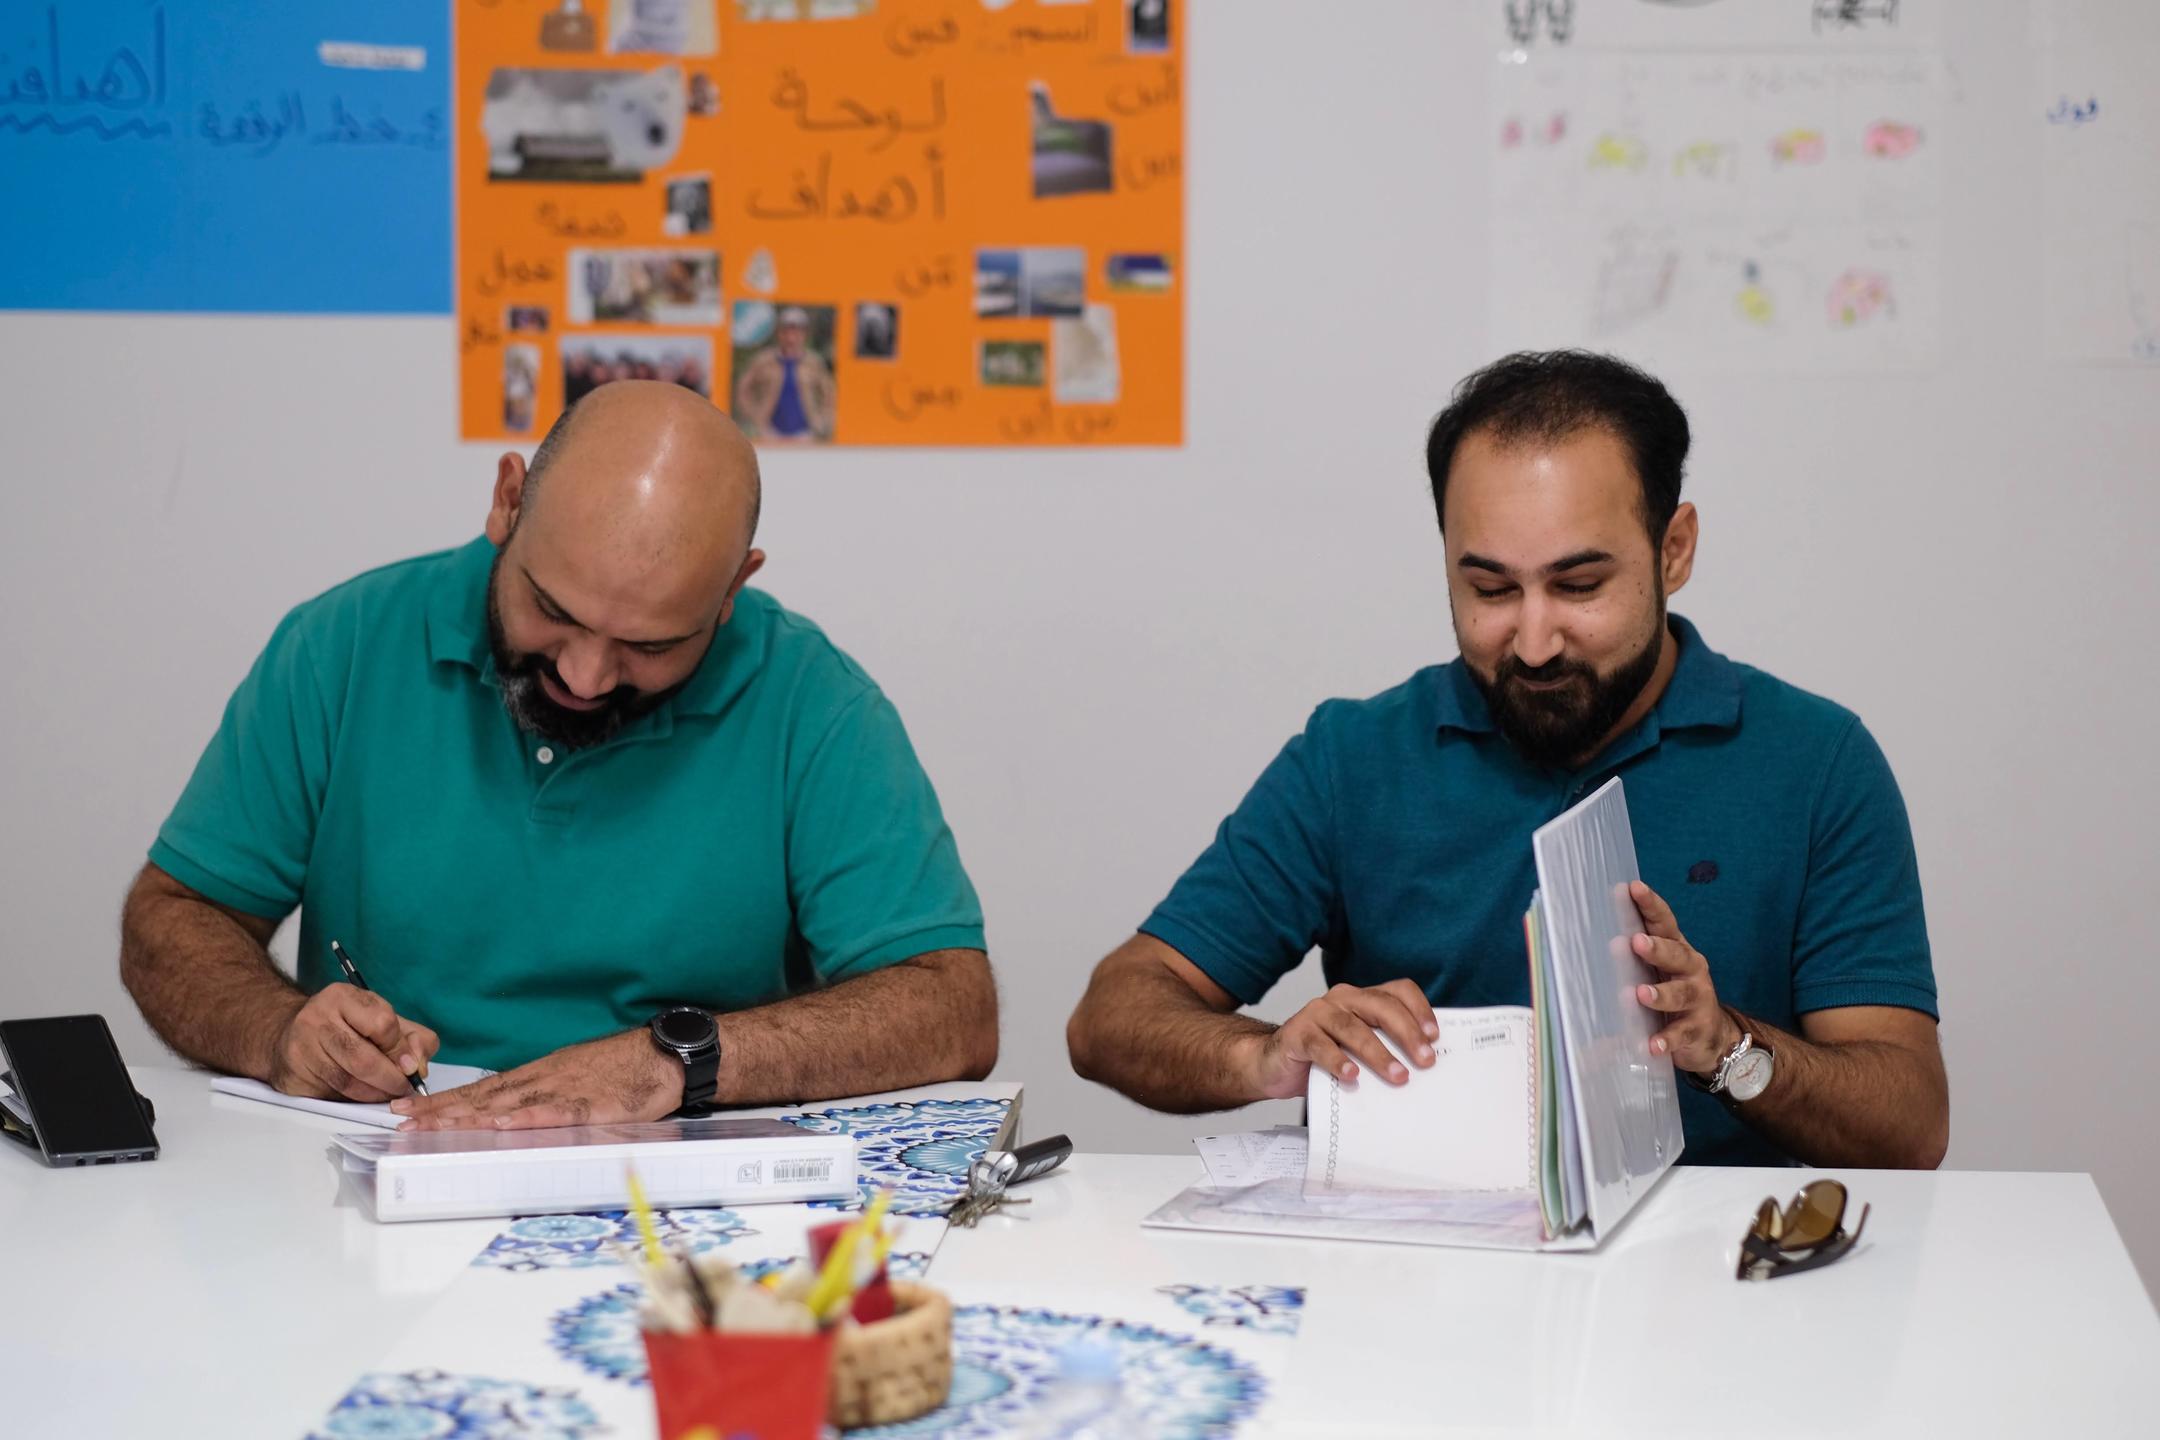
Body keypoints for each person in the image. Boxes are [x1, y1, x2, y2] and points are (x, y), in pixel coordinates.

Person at [1066, 350, 1947, 1169]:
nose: (1532, 642)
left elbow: (1910, 1123)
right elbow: (1111, 1016)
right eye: (1489, 589)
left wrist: (1726, 1048)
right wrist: (1264, 1056)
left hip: (1710, 1266)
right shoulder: (1355, 757)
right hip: (1411, 1259)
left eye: (1579, 586)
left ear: (1673, 550)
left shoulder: (1814, 761)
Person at [121, 380, 995, 1129]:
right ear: (508, 502)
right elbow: (175, 918)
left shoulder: (814, 701)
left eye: (651, 645)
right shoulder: (344, 646)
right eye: (554, 611)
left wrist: (675, 1060)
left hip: (678, 1193)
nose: (584, 676)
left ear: (734, 588)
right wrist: (279, 1031)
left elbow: (952, 1007)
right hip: (382, 1157)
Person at [734, 306, 835, 443]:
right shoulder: (763, 360)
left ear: (804, 335)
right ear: (779, 334)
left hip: (805, 434)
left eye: (796, 333)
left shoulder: (814, 362)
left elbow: (829, 393)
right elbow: (743, 389)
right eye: (786, 332)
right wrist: (754, 416)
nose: (791, 338)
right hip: (770, 433)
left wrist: (823, 419)